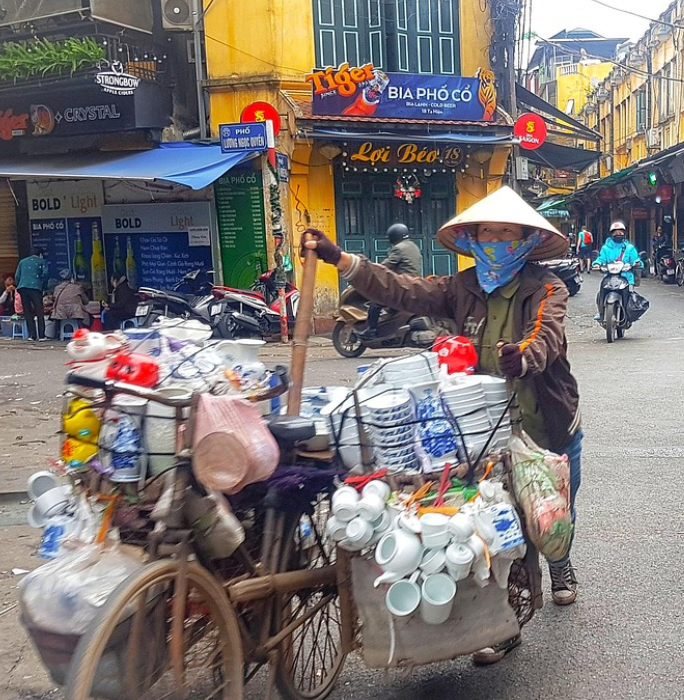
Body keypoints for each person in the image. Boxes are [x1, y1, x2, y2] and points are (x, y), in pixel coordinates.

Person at [302, 186, 583, 663]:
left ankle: (561, 563)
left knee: (550, 512)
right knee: (501, 523)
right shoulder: (462, 287)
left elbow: (547, 333)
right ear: (474, 239)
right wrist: (342, 260)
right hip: (484, 430)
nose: (496, 241)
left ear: (525, 240)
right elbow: (403, 290)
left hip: (546, 421)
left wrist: (524, 356)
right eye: (487, 233)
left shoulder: (547, 287)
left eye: (506, 233)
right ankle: (506, 624)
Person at [357, 223, 422, 340]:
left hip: (402, 285)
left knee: (376, 302)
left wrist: (372, 269)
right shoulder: (413, 246)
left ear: (393, 236)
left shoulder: (399, 248)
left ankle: (372, 331)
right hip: (413, 284)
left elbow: (386, 265)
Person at [592, 221, 641, 319]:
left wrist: (636, 263)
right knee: (601, 292)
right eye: (615, 232)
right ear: (611, 234)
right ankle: (601, 312)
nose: (618, 234)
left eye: (620, 232)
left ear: (624, 233)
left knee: (631, 296)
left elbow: (636, 259)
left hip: (626, 277)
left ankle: (630, 314)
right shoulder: (605, 248)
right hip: (609, 277)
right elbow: (601, 258)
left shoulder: (629, 248)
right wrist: (597, 264)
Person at [15, 248, 48, 341]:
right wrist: (44, 287)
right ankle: (41, 335)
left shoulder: (22, 262)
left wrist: (20, 285)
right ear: (40, 254)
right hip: (35, 287)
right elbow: (45, 275)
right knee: (39, 311)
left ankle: (32, 335)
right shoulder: (42, 262)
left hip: (23, 288)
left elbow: (17, 276)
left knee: (27, 311)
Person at [50, 269, 90, 336]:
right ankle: (82, 334)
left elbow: (54, 299)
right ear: (71, 278)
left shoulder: (57, 288)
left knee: (59, 320)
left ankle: (59, 335)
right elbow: (86, 301)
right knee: (84, 315)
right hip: (75, 313)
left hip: (61, 313)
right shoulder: (77, 287)